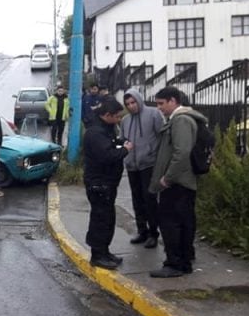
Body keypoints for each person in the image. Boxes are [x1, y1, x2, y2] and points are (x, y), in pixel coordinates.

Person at [148, 86, 209, 278]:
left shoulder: (181, 120)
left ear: (173, 101)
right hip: (184, 182)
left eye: (161, 104)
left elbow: (181, 152)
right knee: (185, 221)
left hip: (177, 183)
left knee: (171, 223)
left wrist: (167, 178)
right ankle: (184, 259)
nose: (159, 108)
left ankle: (174, 263)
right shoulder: (183, 119)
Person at [83, 95, 133, 269]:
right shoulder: (95, 132)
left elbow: (110, 144)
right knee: (101, 219)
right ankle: (97, 254)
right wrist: (125, 150)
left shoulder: (105, 129)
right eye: (117, 116)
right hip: (99, 183)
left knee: (108, 218)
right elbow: (106, 156)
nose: (119, 119)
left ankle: (105, 251)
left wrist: (119, 142)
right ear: (107, 115)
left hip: (107, 183)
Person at [121, 88, 164, 249]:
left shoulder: (153, 114)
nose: (131, 106)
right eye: (128, 104)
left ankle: (154, 233)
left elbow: (162, 136)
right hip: (132, 165)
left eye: (133, 102)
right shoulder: (125, 120)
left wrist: (156, 156)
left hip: (149, 164)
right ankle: (142, 230)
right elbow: (123, 139)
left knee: (150, 198)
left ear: (139, 100)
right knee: (137, 198)